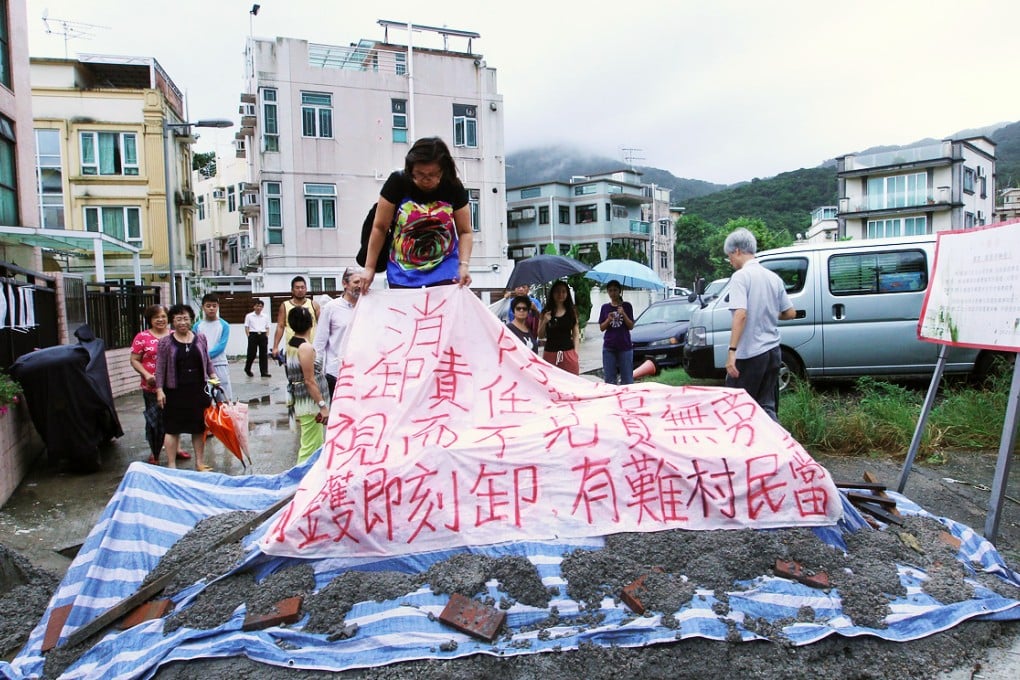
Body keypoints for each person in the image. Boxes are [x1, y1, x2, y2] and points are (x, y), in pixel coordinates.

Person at [361, 136, 473, 292]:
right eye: (419, 174)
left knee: (442, 314)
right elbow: (380, 227)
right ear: (410, 169)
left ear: (443, 170)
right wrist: (369, 268)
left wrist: (464, 265)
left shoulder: (452, 185)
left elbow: (465, 231)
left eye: (432, 175)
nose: (426, 180)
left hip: (444, 266)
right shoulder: (397, 183)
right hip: (404, 270)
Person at [723, 227, 796, 422]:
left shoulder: (741, 277)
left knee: (738, 409)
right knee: (766, 407)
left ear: (737, 251)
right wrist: (769, 312)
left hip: (750, 354)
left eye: (729, 256)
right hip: (773, 351)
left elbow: (740, 314)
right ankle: (779, 448)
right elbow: (790, 313)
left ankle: (742, 451)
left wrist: (732, 352)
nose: (730, 261)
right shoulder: (773, 278)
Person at [155, 304, 217, 471]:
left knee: (198, 428)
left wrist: (213, 377)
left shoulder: (201, 338)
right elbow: (160, 368)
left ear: (191, 320)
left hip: (198, 389)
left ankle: (199, 463)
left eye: (186, 318)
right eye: (178, 319)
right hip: (174, 391)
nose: (182, 322)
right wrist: (159, 389)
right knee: (172, 429)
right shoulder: (165, 342)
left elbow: (207, 361)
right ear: (172, 322)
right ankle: (171, 465)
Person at [130, 304, 190, 464]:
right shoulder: (142, 337)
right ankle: (154, 451)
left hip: (174, 386)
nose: (161, 320)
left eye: (163, 316)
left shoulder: (174, 335)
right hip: (151, 386)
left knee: (175, 418)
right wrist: (146, 374)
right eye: (157, 317)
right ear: (150, 319)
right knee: (154, 420)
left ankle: (176, 449)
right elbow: (134, 360)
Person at [286, 305, 330, 464]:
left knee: (314, 442)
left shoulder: (292, 343)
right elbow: (309, 380)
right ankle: (300, 481)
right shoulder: (305, 347)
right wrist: (323, 405)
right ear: (311, 323)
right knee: (311, 446)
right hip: (310, 402)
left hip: (302, 398)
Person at [314, 267, 363, 400]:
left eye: (362, 282)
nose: (360, 286)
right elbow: (320, 341)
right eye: (356, 282)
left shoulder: (366, 306)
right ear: (345, 284)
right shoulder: (331, 308)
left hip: (361, 372)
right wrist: (317, 371)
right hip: (336, 372)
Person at [194, 293, 232, 401]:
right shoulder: (197, 326)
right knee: (205, 396)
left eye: (214, 306)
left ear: (218, 307)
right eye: (208, 306)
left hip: (219, 363)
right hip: (202, 365)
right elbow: (194, 344)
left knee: (223, 396)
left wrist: (206, 356)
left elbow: (221, 346)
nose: (211, 308)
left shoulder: (224, 325)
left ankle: (224, 417)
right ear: (203, 307)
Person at [271, 276, 319, 361]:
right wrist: (275, 346)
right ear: (292, 290)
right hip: (293, 348)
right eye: (297, 288)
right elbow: (280, 326)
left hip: (311, 347)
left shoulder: (314, 305)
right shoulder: (285, 305)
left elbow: (323, 326)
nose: (300, 290)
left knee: (311, 374)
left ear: (306, 289)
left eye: (302, 287)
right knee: (294, 373)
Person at [538, 280, 580, 374]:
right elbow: (540, 335)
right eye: (557, 291)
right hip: (550, 354)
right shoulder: (546, 312)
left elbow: (576, 334)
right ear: (552, 293)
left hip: (568, 353)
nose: (560, 294)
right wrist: (544, 321)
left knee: (571, 384)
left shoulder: (572, 312)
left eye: (563, 291)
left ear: (567, 294)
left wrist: (575, 353)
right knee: (552, 385)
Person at [598, 280, 635, 385]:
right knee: (609, 380)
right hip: (609, 347)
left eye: (615, 290)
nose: (613, 293)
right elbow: (601, 327)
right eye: (610, 290)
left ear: (619, 291)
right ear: (608, 292)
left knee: (627, 379)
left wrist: (624, 314)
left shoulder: (627, 306)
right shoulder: (605, 307)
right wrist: (608, 320)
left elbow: (631, 326)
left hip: (625, 346)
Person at [243, 299, 272, 378]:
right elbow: (246, 327)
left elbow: (268, 327)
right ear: (254, 306)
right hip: (253, 334)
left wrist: (266, 335)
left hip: (262, 334)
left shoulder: (265, 316)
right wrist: (248, 336)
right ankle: (247, 368)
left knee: (263, 355)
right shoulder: (249, 316)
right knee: (251, 354)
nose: (259, 308)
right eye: (257, 306)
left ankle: (264, 372)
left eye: (260, 306)